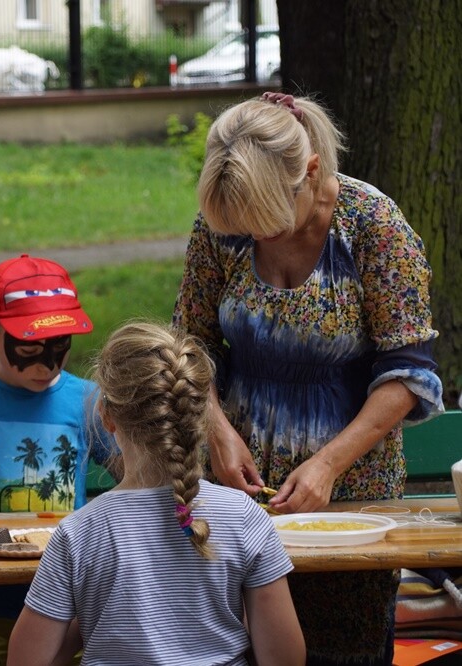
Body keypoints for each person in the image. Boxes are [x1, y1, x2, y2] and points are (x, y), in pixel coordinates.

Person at [173, 92, 444, 664]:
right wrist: (217, 432)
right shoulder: (226, 220)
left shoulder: (372, 226)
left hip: (350, 500)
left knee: (341, 651)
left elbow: (409, 371)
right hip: (232, 501)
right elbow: (189, 344)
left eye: (264, 222)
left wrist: (328, 464)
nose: (252, 236)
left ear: (311, 172)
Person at [8, 321, 304, 665]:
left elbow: (26, 660)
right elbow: (284, 658)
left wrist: (90, 615)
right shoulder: (244, 516)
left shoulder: (79, 532)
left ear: (106, 415)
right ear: (201, 417)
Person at [0, 254, 118, 665]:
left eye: (59, 346)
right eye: (28, 347)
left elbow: (137, 478)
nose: (46, 364)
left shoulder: (87, 400)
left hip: (68, 607)